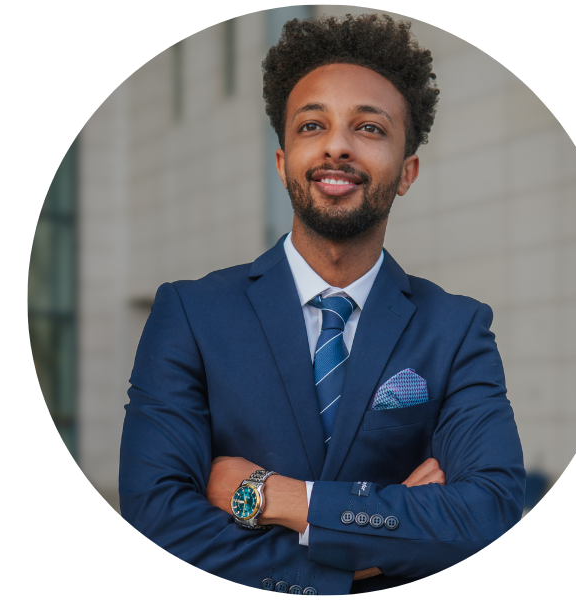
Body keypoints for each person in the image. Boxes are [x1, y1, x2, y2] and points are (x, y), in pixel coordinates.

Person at [119, 13, 525, 595]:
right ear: (283, 162)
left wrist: (277, 498)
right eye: (312, 125)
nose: (337, 145)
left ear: (407, 171)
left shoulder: (457, 329)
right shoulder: (189, 314)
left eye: (370, 128)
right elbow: (154, 518)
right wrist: (357, 561)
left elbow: (490, 515)